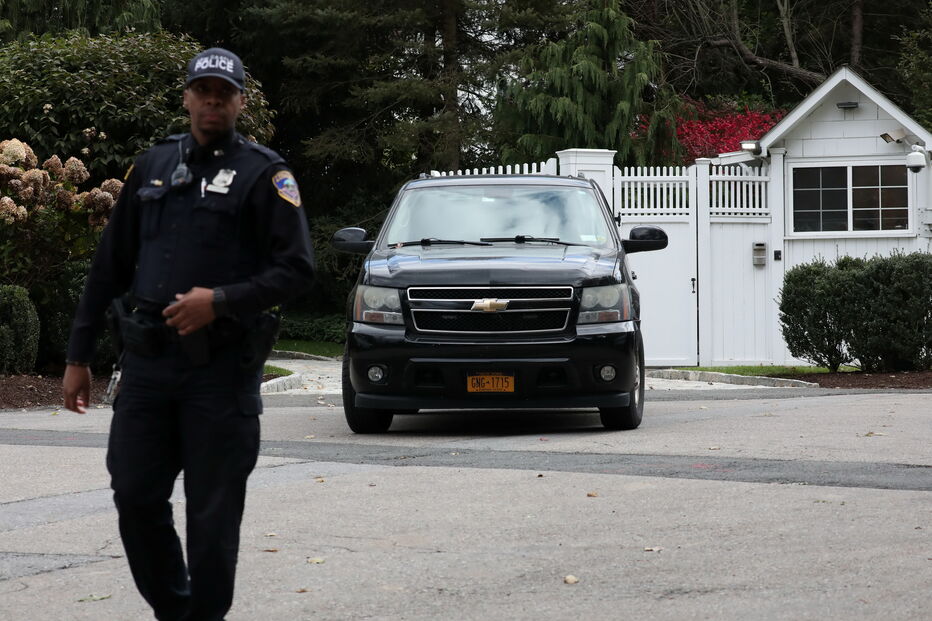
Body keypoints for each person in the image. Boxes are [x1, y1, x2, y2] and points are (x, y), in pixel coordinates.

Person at [62, 47, 315, 621]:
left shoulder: (264, 174)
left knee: (211, 520)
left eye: (223, 93)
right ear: (187, 97)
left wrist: (220, 301)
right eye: (202, 90)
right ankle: (177, 611)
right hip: (148, 367)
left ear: (239, 102)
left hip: (220, 375)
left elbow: (297, 268)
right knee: (134, 496)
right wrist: (80, 356)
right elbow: (109, 267)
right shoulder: (151, 167)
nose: (211, 101)